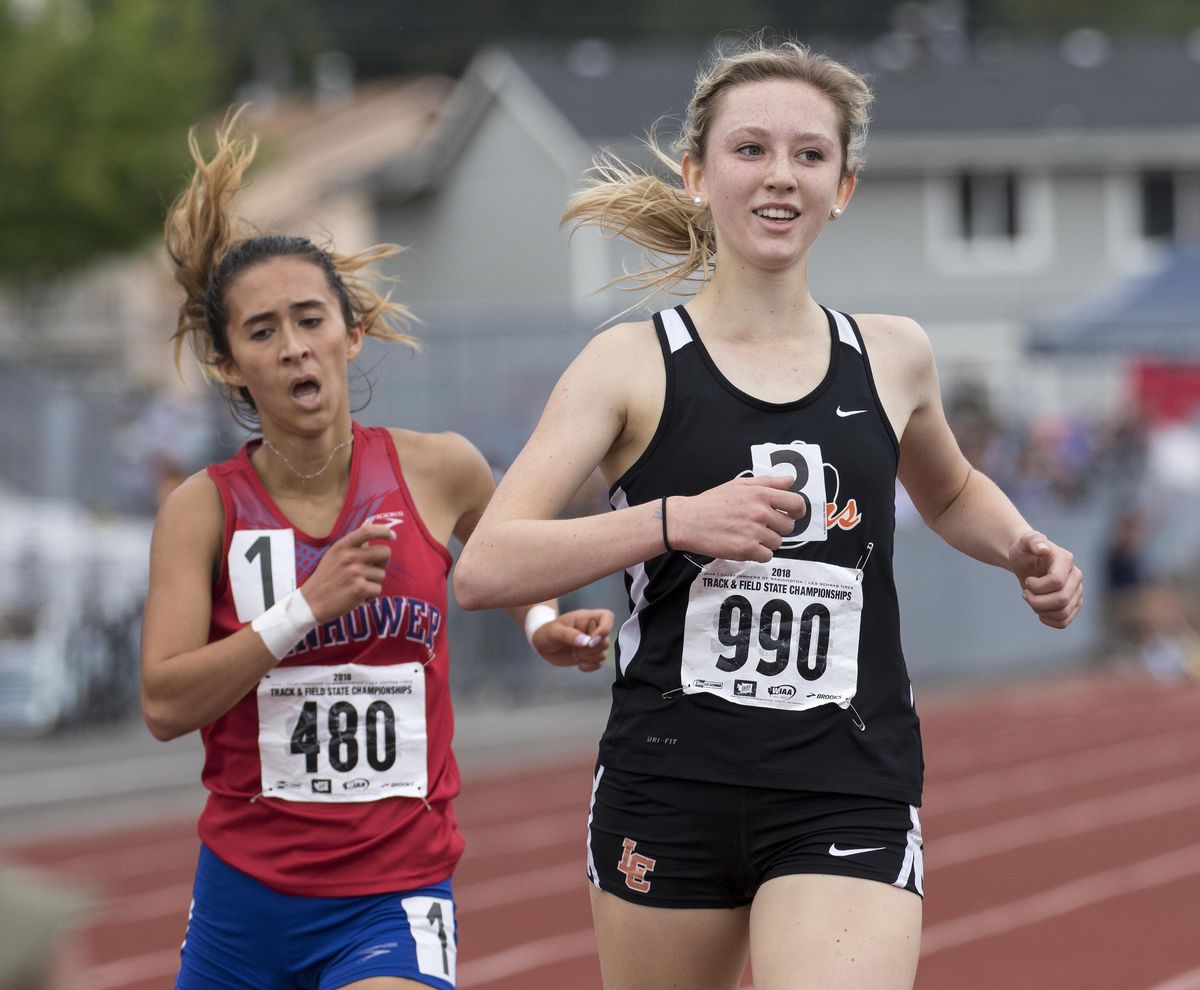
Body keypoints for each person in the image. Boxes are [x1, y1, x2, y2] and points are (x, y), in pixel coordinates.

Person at [454, 37, 1083, 990]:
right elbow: (486, 566)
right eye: (750, 150)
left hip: (847, 778)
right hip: (669, 782)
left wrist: (1023, 547)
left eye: (809, 154)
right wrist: (673, 521)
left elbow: (948, 489)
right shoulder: (628, 364)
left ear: (844, 187)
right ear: (697, 176)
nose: (779, 176)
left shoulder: (893, 354)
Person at [140, 111, 613, 990]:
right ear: (229, 363)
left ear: (351, 333)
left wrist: (539, 621)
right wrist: (303, 610)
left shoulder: (441, 470)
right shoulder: (203, 510)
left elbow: (504, 559)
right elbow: (165, 703)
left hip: (392, 896)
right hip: (244, 900)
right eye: (262, 332)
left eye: (310, 320)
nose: (292, 348)